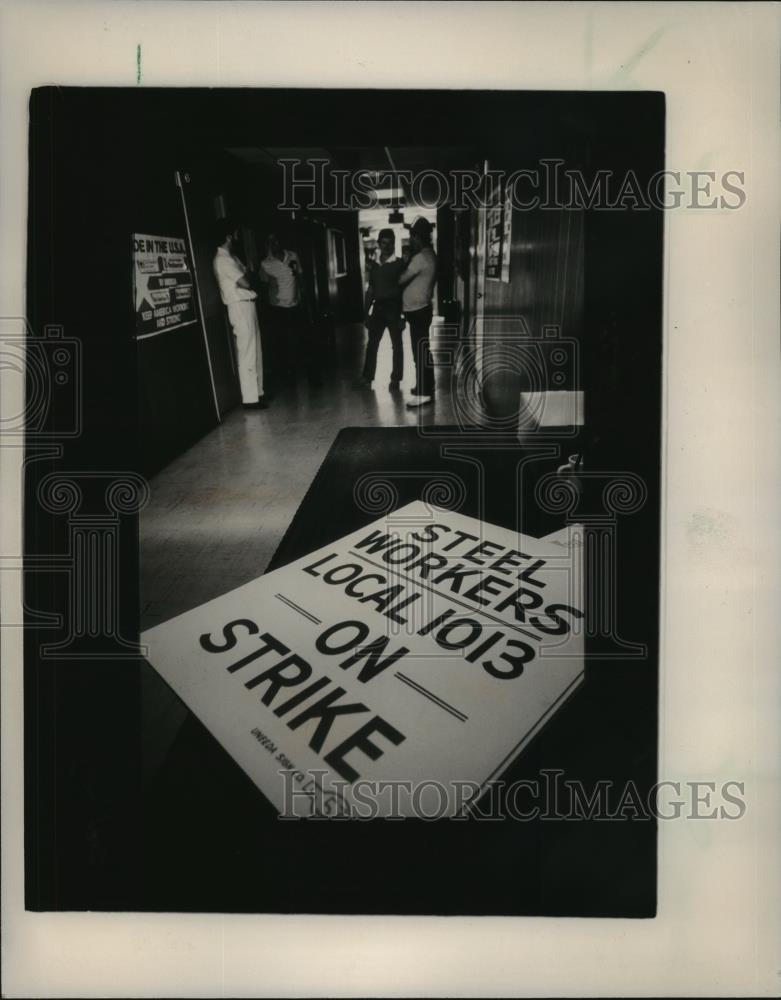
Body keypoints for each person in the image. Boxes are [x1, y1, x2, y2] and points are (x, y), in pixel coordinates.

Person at [212, 219, 269, 410]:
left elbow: (248, 277)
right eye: (235, 234)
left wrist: (247, 278)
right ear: (229, 236)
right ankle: (250, 398)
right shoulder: (223, 260)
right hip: (239, 306)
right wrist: (247, 278)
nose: (237, 237)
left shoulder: (232, 257)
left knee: (255, 350)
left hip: (248, 304)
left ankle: (258, 393)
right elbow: (246, 282)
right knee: (247, 351)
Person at [259, 232, 320, 386]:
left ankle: (313, 377)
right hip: (278, 309)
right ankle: (288, 378)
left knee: (305, 341)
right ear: (267, 245)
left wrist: (305, 300)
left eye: (276, 241)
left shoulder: (292, 255)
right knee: (283, 344)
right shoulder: (265, 263)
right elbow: (263, 286)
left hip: (296, 305)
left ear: (280, 242)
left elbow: (300, 277)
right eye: (270, 242)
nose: (274, 245)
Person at [355, 228, 406, 390]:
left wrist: (403, 315)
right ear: (378, 244)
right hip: (378, 308)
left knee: (396, 345)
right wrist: (365, 314)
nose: (387, 247)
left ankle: (396, 379)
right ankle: (367, 377)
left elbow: (405, 290)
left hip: (394, 307)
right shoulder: (375, 267)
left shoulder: (399, 264)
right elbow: (370, 290)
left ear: (394, 245)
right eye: (384, 243)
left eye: (390, 243)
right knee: (372, 344)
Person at [399, 216, 437, 408]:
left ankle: (424, 393)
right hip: (421, 309)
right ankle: (427, 387)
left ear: (417, 236)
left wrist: (405, 261)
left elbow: (400, 280)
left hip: (418, 310)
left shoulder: (420, 257)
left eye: (412, 236)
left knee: (419, 352)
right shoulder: (429, 253)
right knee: (423, 350)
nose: (410, 239)